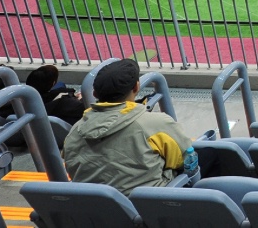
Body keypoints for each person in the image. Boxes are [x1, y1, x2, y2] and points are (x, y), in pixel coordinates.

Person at [62, 59, 193, 196]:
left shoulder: (74, 132)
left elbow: (72, 169)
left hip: (94, 207)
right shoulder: (157, 124)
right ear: (136, 87)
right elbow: (186, 160)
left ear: (95, 94)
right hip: (152, 203)